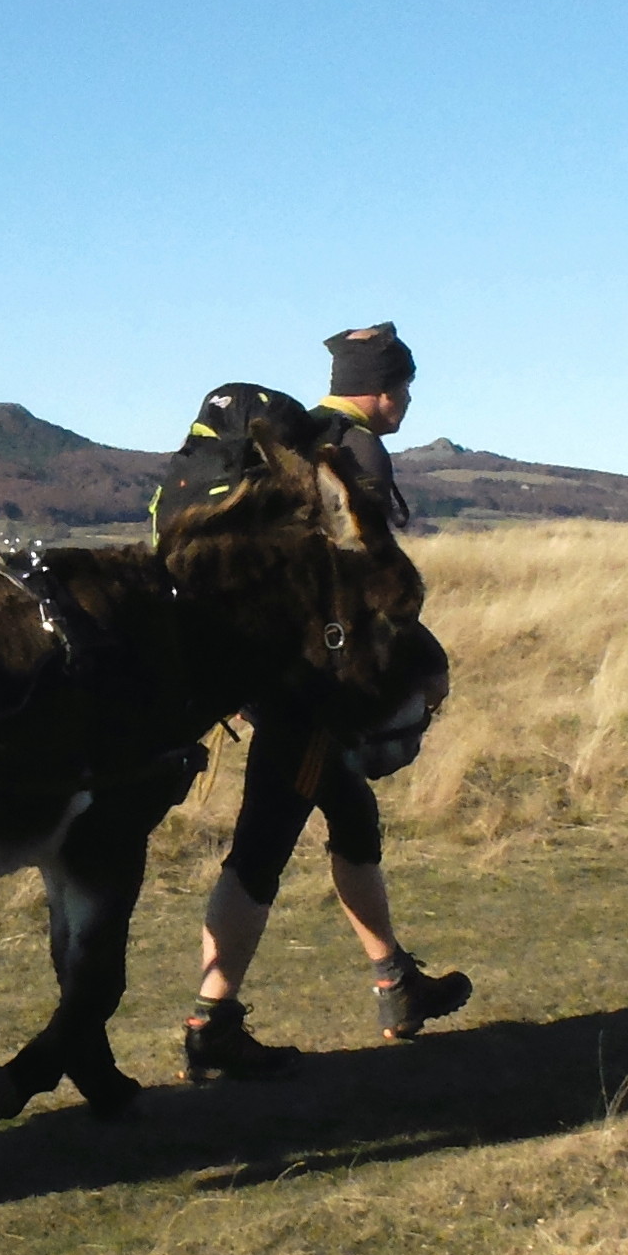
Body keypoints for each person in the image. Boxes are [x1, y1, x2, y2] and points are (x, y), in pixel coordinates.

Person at [182, 321, 471, 1081]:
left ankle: (395, 982)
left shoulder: (297, 443)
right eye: (404, 385)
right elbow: (366, 584)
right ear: (382, 387)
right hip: (309, 690)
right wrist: (426, 662)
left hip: (268, 670)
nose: (408, 399)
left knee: (352, 815)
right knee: (262, 847)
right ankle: (211, 1023)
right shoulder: (355, 453)